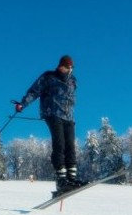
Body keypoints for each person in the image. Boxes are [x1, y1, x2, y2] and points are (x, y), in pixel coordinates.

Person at [15, 55, 82, 197]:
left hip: (68, 116)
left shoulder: (73, 81)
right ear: (60, 66)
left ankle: (71, 178)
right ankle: (61, 179)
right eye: (65, 67)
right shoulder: (48, 77)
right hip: (52, 113)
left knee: (70, 146)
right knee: (60, 144)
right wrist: (23, 103)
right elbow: (34, 91)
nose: (67, 70)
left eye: (69, 68)